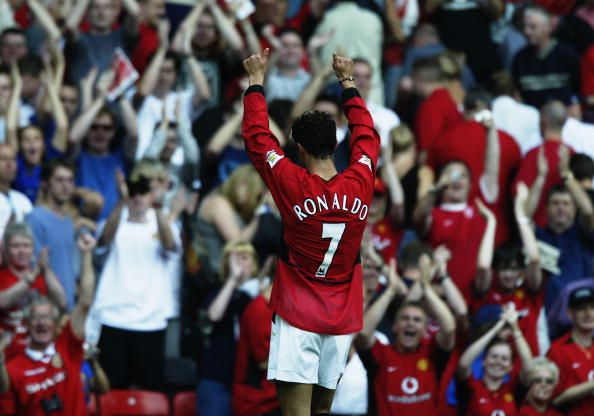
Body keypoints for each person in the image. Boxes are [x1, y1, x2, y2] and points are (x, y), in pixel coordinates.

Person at [242, 50, 380, 415]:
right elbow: (367, 135)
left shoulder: (291, 183)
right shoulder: (361, 179)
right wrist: (347, 81)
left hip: (298, 311)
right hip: (342, 313)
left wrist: (255, 82)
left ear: (300, 149)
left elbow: (258, 138)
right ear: (335, 146)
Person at [0, 232, 97, 415]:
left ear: (56, 323)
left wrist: (86, 254)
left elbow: (84, 300)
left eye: (47, 318)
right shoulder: (13, 369)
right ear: (26, 324)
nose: (42, 323)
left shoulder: (68, 347)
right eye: (36, 318)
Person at [356, 255, 456, 415]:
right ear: (395, 327)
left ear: (425, 329)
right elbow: (364, 332)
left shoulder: (431, 354)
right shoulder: (382, 354)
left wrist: (426, 287)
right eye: (405, 318)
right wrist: (390, 291)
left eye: (417, 320)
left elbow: (449, 328)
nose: (410, 323)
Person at [546, 286, 594, 415]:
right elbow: (555, 400)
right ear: (570, 313)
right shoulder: (556, 350)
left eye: (592, 308)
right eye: (581, 309)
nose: (588, 313)